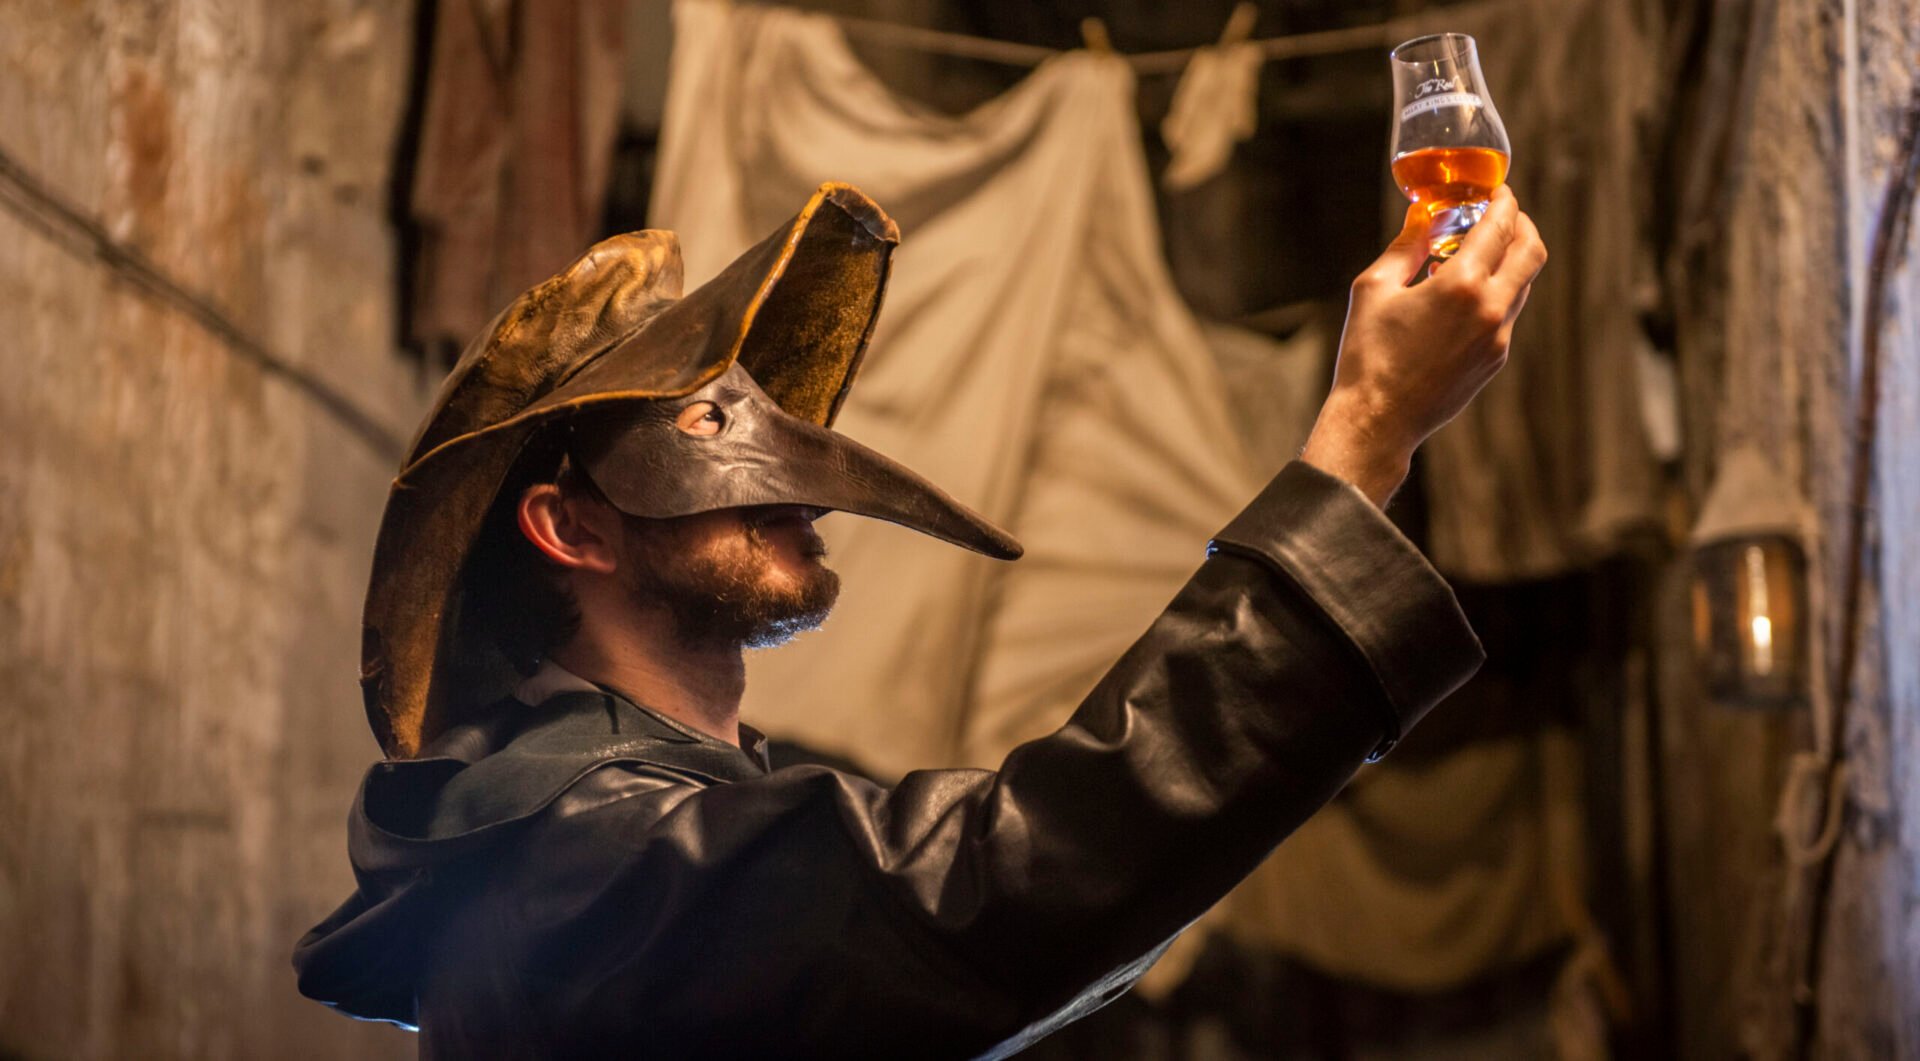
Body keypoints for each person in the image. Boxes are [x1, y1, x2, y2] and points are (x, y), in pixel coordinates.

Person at [294, 181, 1546, 1059]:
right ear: (574, 529)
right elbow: (1009, 879)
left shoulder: (640, 833)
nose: (791, 468)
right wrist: (1363, 436)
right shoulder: (583, 863)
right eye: (708, 431)